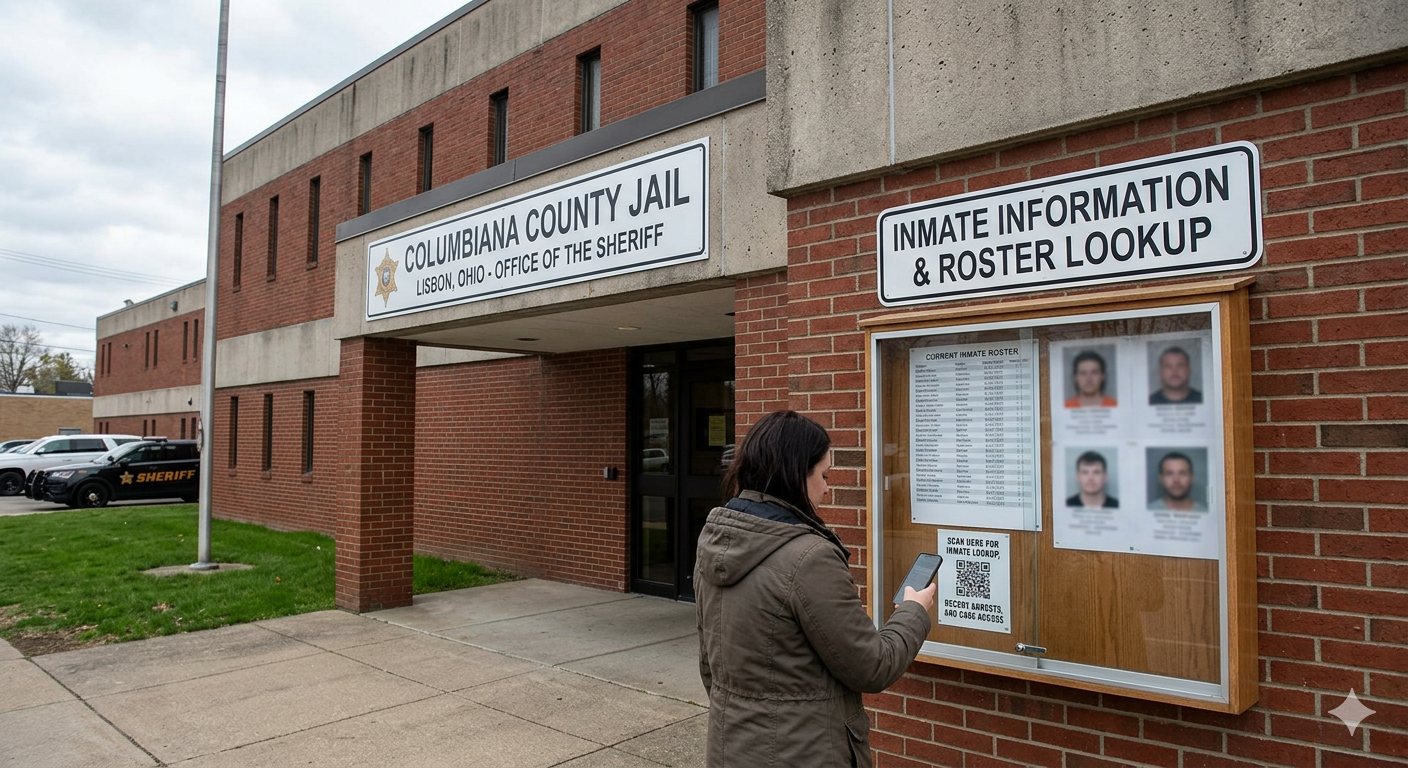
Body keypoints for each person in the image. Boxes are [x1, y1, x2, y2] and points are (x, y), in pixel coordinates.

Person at [695, 410, 935, 768]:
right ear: (796, 475)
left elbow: (709, 666)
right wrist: (914, 610)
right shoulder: (809, 558)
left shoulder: (716, 541)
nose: (828, 487)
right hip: (804, 753)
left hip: (731, 749)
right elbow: (873, 666)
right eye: (823, 475)